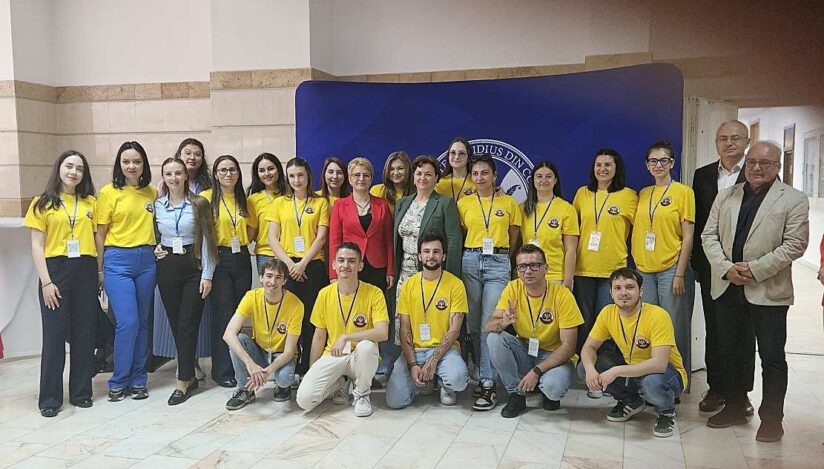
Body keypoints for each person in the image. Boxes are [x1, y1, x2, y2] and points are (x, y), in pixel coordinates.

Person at [701, 141, 809, 442]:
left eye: (765, 163)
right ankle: (735, 406)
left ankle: (772, 419)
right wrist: (726, 268)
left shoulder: (794, 199)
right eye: (752, 163)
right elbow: (708, 236)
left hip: (768, 290)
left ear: (778, 166)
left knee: (772, 357)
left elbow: (795, 244)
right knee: (731, 351)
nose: (757, 168)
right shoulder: (727, 195)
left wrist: (753, 269)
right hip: (728, 286)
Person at [25, 150, 98, 417]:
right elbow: (37, 246)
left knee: (83, 334)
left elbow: (98, 240)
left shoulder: (91, 203)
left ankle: (81, 392)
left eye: (79, 168)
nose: (73, 172)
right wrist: (46, 282)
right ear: (59, 168)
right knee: (54, 337)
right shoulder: (41, 203)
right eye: (69, 166)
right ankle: (50, 398)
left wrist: (100, 273)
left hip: (86, 269)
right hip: (55, 271)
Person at [581, 268, 687, 438]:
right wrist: (590, 370)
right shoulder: (608, 312)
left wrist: (616, 371)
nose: (623, 293)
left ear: (641, 291)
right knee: (584, 368)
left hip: (667, 374)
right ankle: (631, 401)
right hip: (633, 370)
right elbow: (589, 348)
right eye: (618, 288)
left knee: (652, 382)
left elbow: (659, 364)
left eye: (630, 287)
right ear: (611, 293)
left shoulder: (658, 315)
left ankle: (666, 411)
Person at [691, 120, 753, 414]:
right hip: (711, 266)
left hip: (744, 267)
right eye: (723, 138)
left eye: (735, 138)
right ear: (716, 142)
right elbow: (699, 222)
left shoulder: (755, 173)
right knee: (714, 328)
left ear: (747, 141)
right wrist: (698, 263)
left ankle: (741, 394)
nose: (729, 143)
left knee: (743, 332)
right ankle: (716, 387)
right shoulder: (702, 175)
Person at [486, 244, 583, 417]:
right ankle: (517, 394)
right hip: (525, 350)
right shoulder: (513, 288)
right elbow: (489, 326)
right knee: (494, 338)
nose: (528, 271)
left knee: (553, 388)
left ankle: (545, 389)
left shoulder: (562, 295)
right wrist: (503, 322)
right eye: (522, 266)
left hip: (554, 355)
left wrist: (536, 371)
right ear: (517, 270)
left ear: (546, 268)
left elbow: (569, 346)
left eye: (534, 265)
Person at [457, 153, 522, 411]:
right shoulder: (464, 203)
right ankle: (481, 367)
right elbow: (463, 231)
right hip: (470, 261)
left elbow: (514, 235)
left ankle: (488, 381)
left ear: (495, 175)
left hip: (498, 262)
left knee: (490, 323)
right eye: (475, 173)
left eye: (485, 172)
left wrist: (502, 255)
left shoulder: (509, 202)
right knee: (473, 323)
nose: (480, 177)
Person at [296, 243, 389, 417]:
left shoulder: (374, 293)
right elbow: (319, 336)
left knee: (367, 346)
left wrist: (347, 337)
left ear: (360, 266)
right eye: (341, 260)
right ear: (333, 265)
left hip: (359, 357)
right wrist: (312, 370)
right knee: (304, 400)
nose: (346, 265)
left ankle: (362, 395)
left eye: (352, 261)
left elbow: (382, 332)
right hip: (333, 354)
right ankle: (339, 383)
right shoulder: (324, 294)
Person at [153, 157, 218, 405]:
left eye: (178, 173)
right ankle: (189, 375)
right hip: (168, 265)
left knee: (188, 323)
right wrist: (155, 248)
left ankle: (183, 380)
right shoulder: (157, 205)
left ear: (185, 176)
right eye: (168, 174)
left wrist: (207, 275)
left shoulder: (199, 203)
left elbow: (208, 241)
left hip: (194, 265)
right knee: (175, 323)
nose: (174, 178)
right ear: (163, 177)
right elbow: (152, 234)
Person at [95, 141, 157, 401]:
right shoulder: (108, 192)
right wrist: (100, 270)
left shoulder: (152, 192)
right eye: (126, 161)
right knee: (127, 322)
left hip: (147, 261)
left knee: (142, 323)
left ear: (144, 164)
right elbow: (100, 234)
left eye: (137, 161)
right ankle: (118, 379)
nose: (132, 166)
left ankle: (139, 379)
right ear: (119, 164)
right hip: (117, 261)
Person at [631, 141, 696, 385]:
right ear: (647, 165)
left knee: (675, 329)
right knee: (650, 328)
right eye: (653, 161)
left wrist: (680, 273)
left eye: (663, 160)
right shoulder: (643, 193)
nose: (658, 165)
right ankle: (653, 381)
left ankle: (677, 382)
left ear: (672, 163)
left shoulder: (683, 192)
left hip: (671, 269)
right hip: (644, 271)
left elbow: (688, 236)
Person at [386, 232, 469, 408]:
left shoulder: (456, 284)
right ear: (419, 256)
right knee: (395, 402)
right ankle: (422, 381)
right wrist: (412, 364)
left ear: (443, 256)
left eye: (436, 251)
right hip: (415, 350)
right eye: (426, 251)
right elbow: (404, 329)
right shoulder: (409, 284)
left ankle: (445, 385)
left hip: (445, 351)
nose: (431, 256)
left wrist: (432, 361)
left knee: (458, 379)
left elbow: (455, 330)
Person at [267, 157, 330, 377]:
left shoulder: (321, 202)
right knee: (291, 316)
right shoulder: (279, 203)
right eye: (292, 176)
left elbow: (321, 237)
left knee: (312, 317)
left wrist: (303, 264)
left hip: (312, 265)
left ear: (308, 176)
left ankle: (310, 364)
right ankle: (290, 362)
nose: (297, 180)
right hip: (288, 266)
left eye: (300, 175)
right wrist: (290, 265)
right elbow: (272, 238)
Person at [572, 149, 638, 352]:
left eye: (608, 165)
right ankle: (583, 363)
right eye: (598, 165)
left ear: (617, 168)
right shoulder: (582, 193)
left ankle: (605, 364)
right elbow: (571, 229)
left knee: (607, 321)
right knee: (583, 322)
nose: (603, 169)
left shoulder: (628, 196)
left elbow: (641, 229)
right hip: (583, 268)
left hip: (613, 269)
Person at [393, 156, 463, 343]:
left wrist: (450, 276)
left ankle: (432, 355)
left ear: (436, 178)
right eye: (419, 174)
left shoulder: (444, 203)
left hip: (431, 272)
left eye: (428, 174)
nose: (423, 178)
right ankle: (407, 355)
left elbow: (454, 240)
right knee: (404, 318)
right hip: (404, 272)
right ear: (413, 177)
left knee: (430, 316)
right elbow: (396, 241)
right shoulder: (403, 203)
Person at [201, 155, 256, 388]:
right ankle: (222, 370)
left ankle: (238, 366)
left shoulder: (245, 200)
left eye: (232, 170)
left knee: (239, 314)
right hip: (219, 258)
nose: (228, 174)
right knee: (224, 314)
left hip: (241, 257)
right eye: (223, 170)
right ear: (215, 174)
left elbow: (252, 231)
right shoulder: (206, 198)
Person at [223, 259, 303, 410]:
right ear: (261, 277)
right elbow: (228, 334)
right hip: (259, 351)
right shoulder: (251, 297)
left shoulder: (296, 304)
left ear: (285, 281)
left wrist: (267, 372)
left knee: (284, 379)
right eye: (269, 276)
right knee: (239, 339)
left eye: (278, 277)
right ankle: (245, 390)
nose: (273, 282)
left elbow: (289, 352)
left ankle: (282, 385)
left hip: (282, 355)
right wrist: (250, 363)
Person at [328, 157, 394, 290]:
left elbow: (388, 240)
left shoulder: (382, 204)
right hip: (349, 265)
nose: (361, 179)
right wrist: (333, 274)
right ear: (350, 179)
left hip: (377, 266)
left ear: (371, 179)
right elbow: (334, 241)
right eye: (357, 175)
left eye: (366, 175)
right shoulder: (339, 205)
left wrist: (390, 271)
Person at [520, 161, 579, 288]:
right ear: (533, 180)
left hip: (555, 276)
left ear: (555, 180)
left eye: (548, 176)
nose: (543, 180)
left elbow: (571, 250)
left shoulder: (566, 209)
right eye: (539, 176)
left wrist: (568, 280)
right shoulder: (522, 209)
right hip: (526, 276)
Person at [247, 153, 288, 272]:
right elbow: (251, 234)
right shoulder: (253, 200)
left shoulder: (290, 195)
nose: (267, 173)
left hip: (289, 253)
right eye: (262, 170)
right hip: (266, 254)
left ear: (278, 170)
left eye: (270, 169)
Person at [370, 151, 413, 216]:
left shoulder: (418, 192)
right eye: (391, 169)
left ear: (408, 170)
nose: (396, 173)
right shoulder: (377, 190)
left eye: (400, 168)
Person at [435, 137, 476, 202]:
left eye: (461, 153)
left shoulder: (477, 181)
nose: (456, 157)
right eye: (453, 153)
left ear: (468, 158)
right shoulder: (439, 183)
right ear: (448, 156)